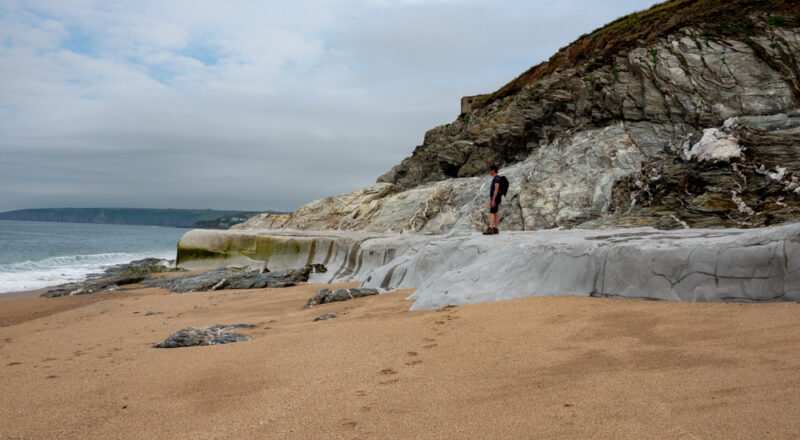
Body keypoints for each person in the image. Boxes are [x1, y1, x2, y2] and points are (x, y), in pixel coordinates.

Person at [483, 165, 502, 235]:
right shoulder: (497, 178)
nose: (489, 172)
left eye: (490, 170)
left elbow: (496, 190)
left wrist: (493, 200)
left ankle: (490, 229)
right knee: (496, 213)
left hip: (495, 198)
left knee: (492, 213)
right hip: (497, 198)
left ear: (493, 170)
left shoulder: (496, 179)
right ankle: (496, 229)